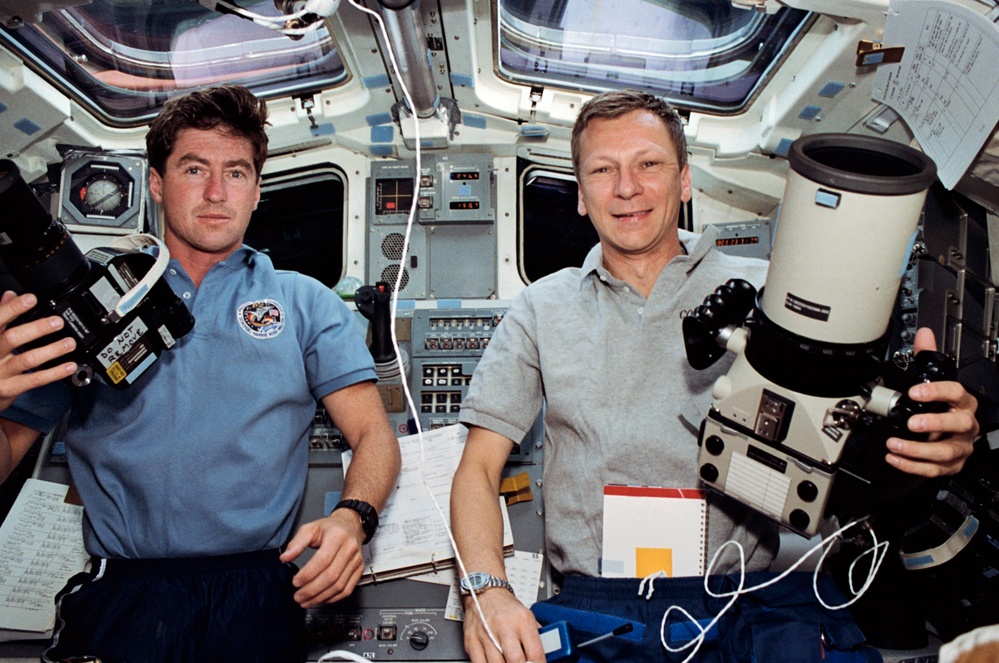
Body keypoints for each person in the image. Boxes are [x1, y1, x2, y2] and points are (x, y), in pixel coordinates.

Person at [450, 89, 980, 663]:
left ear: (683, 181)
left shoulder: (777, 299)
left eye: (649, 164)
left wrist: (930, 438)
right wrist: (488, 589)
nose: (627, 187)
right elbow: (478, 467)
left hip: (751, 601)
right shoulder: (540, 309)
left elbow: (856, 452)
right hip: (601, 607)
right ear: (581, 195)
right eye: (603, 170)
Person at [0, 84, 402, 662]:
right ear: (157, 184)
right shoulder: (87, 308)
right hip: (125, 592)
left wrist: (353, 516)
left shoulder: (305, 303)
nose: (217, 192)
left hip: (259, 590)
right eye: (195, 169)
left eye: (236, 173)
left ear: (258, 190)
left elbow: (374, 436)